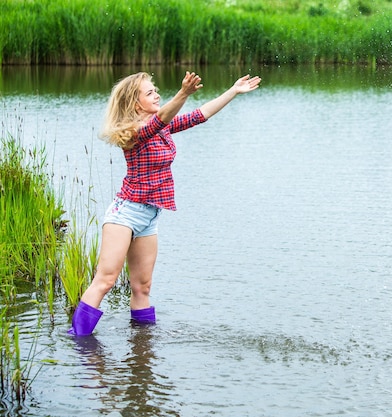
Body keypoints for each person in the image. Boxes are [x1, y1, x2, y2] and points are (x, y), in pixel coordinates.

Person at [68, 71, 261, 336]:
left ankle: (143, 344)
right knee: (106, 280)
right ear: (136, 104)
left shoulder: (162, 127)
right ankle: (79, 339)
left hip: (150, 216)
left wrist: (232, 91)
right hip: (125, 214)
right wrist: (183, 93)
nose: (157, 94)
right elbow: (158, 122)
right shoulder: (135, 131)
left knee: (142, 286)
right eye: (149, 92)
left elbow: (199, 115)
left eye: (155, 89)